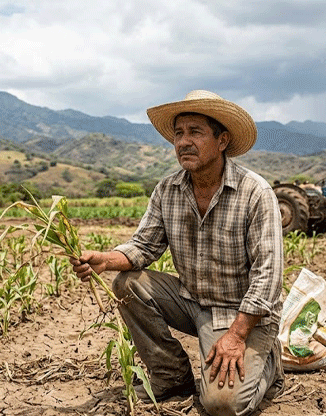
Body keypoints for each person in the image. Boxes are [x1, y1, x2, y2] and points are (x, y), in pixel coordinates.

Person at [72, 90, 284, 416]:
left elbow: (268, 275)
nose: (184, 142)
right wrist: (105, 260)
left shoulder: (255, 193)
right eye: (178, 133)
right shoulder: (168, 190)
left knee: (221, 405)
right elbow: (144, 246)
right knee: (128, 284)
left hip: (244, 316)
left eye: (195, 132)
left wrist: (238, 335)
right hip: (193, 301)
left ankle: (269, 361)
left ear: (222, 140)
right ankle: (171, 375)